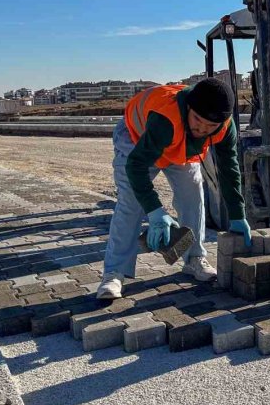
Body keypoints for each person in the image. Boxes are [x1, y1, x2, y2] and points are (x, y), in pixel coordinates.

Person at [96, 77, 252, 299]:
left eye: (211, 126)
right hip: (137, 137)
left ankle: (194, 258)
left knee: (193, 193)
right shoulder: (165, 118)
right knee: (131, 202)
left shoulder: (225, 127)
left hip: (179, 143)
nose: (202, 128)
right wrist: (156, 211)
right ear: (189, 107)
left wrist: (237, 214)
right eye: (198, 119)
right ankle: (114, 272)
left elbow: (229, 168)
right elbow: (136, 167)